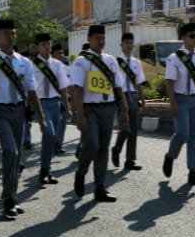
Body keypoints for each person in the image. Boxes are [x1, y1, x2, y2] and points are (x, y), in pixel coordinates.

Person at [0, 19, 45, 220]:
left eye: (12, 33)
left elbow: (32, 90)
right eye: (6, 33)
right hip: (0, 111)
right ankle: (8, 199)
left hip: (19, 111)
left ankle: (11, 196)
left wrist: (41, 117)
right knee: (10, 150)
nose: (10, 36)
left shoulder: (24, 62)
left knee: (16, 156)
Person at [70, 25, 129, 202]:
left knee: (103, 149)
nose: (101, 41)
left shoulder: (111, 60)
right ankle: (81, 171)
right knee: (92, 145)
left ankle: (100, 188)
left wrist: (124, 110)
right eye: (97, 38)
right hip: (89, 109)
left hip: (108, 108)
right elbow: (77, 90)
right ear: (89, 40)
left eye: (103, 38)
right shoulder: (82, 61)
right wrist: (79, 115)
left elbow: (118, 88)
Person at [163, 23, 195, 187]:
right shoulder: (174, 58)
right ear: (183, 38)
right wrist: (173, 103)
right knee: (182, 134)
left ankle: (192, 172)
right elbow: (169, 82)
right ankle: (170, 156)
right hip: (180, 99)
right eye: (192, 36)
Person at [31, 33, 71, 186]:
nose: (46, 47)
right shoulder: (32, 64)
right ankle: (44, 170)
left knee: (52, 138)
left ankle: (46, 169)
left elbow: (63, 88)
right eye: (43, 44)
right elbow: (30, 88)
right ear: (37, 47)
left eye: (48, 44)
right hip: (41, 104)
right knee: (49, 133)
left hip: (55, 103)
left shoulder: (57, 64)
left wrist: (68, 107)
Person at [111, 32, 146, 172]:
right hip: (121, 96)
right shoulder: (115, 61)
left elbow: (139, 83)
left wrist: (143, 100)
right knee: (125, 129)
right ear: (121, 45)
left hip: (133, 95)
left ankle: (130, 160)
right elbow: (113, 83)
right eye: (126, 43)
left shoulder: (137, 63)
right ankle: (116, 149)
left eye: (131, 43)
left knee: (134, 131)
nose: (129, 45)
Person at [51, 43, 69, 154]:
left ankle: (58, 144)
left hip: (64, 98)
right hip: (52, 99)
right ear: (52, 54)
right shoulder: (49, 67)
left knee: (62, 123)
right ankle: (52, 143)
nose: (61, 55)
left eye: (62, 53)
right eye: (58, 53)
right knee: (54, 124)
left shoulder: (66, 67)